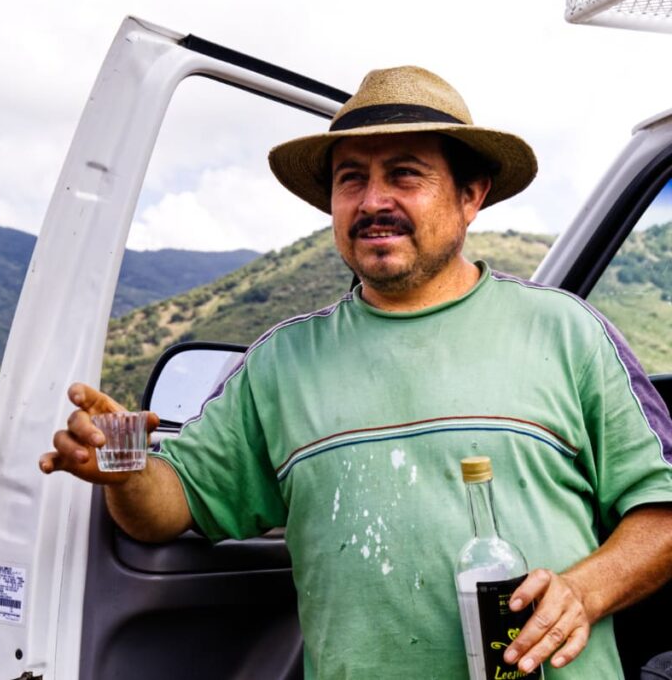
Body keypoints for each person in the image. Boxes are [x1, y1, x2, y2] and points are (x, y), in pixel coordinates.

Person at [40, 66, 672, 678]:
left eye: (405, 175)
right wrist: (120, 467)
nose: (374, 201)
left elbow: (662, 512)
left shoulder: (567, 333)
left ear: (470, 194)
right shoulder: (281, 364)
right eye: (351, 180)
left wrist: (583, 593)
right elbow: (172, 506)